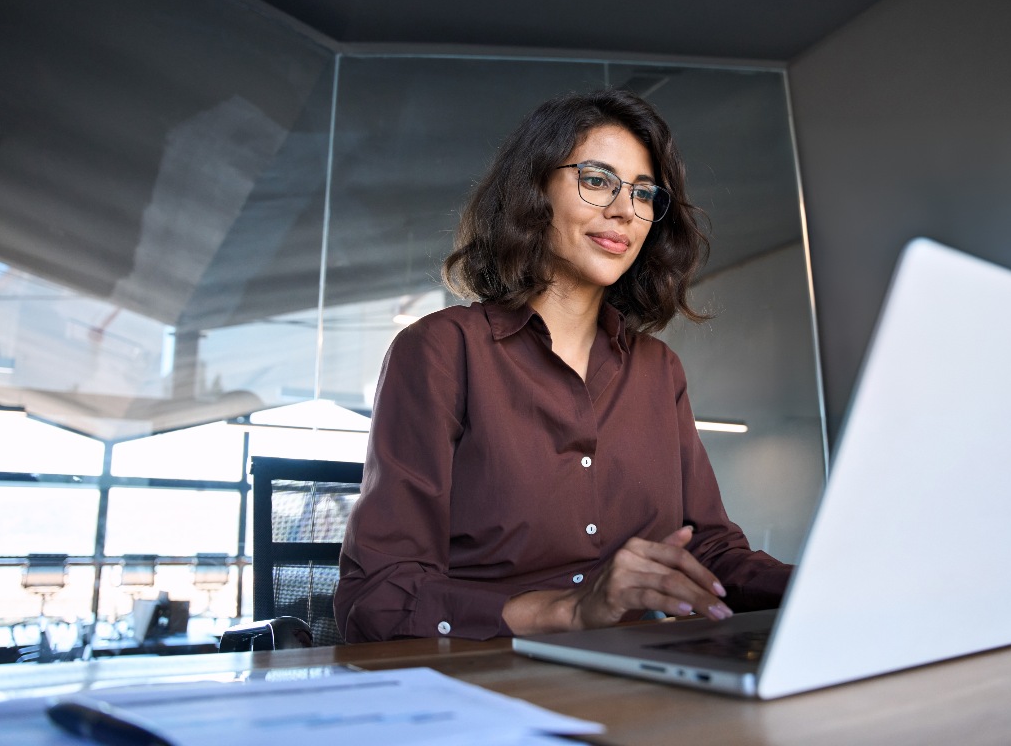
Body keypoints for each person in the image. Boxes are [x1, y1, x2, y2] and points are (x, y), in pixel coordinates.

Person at [334, 88, 791, 642]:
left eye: (644, 194)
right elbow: (378, 596)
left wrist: (824, 584)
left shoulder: (659, 370)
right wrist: (567, 611)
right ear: (534, 192)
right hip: (491, 678)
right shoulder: (440, 351)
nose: (624, 210)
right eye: (597, 181)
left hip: (645, 673)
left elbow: (710, 552)